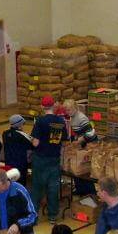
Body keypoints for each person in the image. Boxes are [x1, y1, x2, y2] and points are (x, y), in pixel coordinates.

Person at [31, 95, 69, 224]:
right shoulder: (60, 121)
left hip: (40, 158)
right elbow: (64, 142)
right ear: (54, 106)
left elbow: (35, 143)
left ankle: (34, 215)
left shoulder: (40, 122)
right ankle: (53, 216)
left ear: (42, 107)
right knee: (53, 188)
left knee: (37, 187)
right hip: (54, 158)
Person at [63, 99, 98, 197]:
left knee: (84, 170)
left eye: (69, 109)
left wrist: (79, 141)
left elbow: (90, 133)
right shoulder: (72, 117)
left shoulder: (81, 118)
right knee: (76, 168)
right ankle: (80, 189)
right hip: (82, 144)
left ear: (75, 108)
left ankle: (90, 193)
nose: (67, 112)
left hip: (89, 144)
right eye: (66, 110)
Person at [2, 114, 32, 187]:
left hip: (8, 163)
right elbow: (32, 144)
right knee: (20, 185)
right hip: (20, 164)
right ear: (20, 125)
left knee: (11, 183)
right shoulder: (22, 134)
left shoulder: (5, 134)